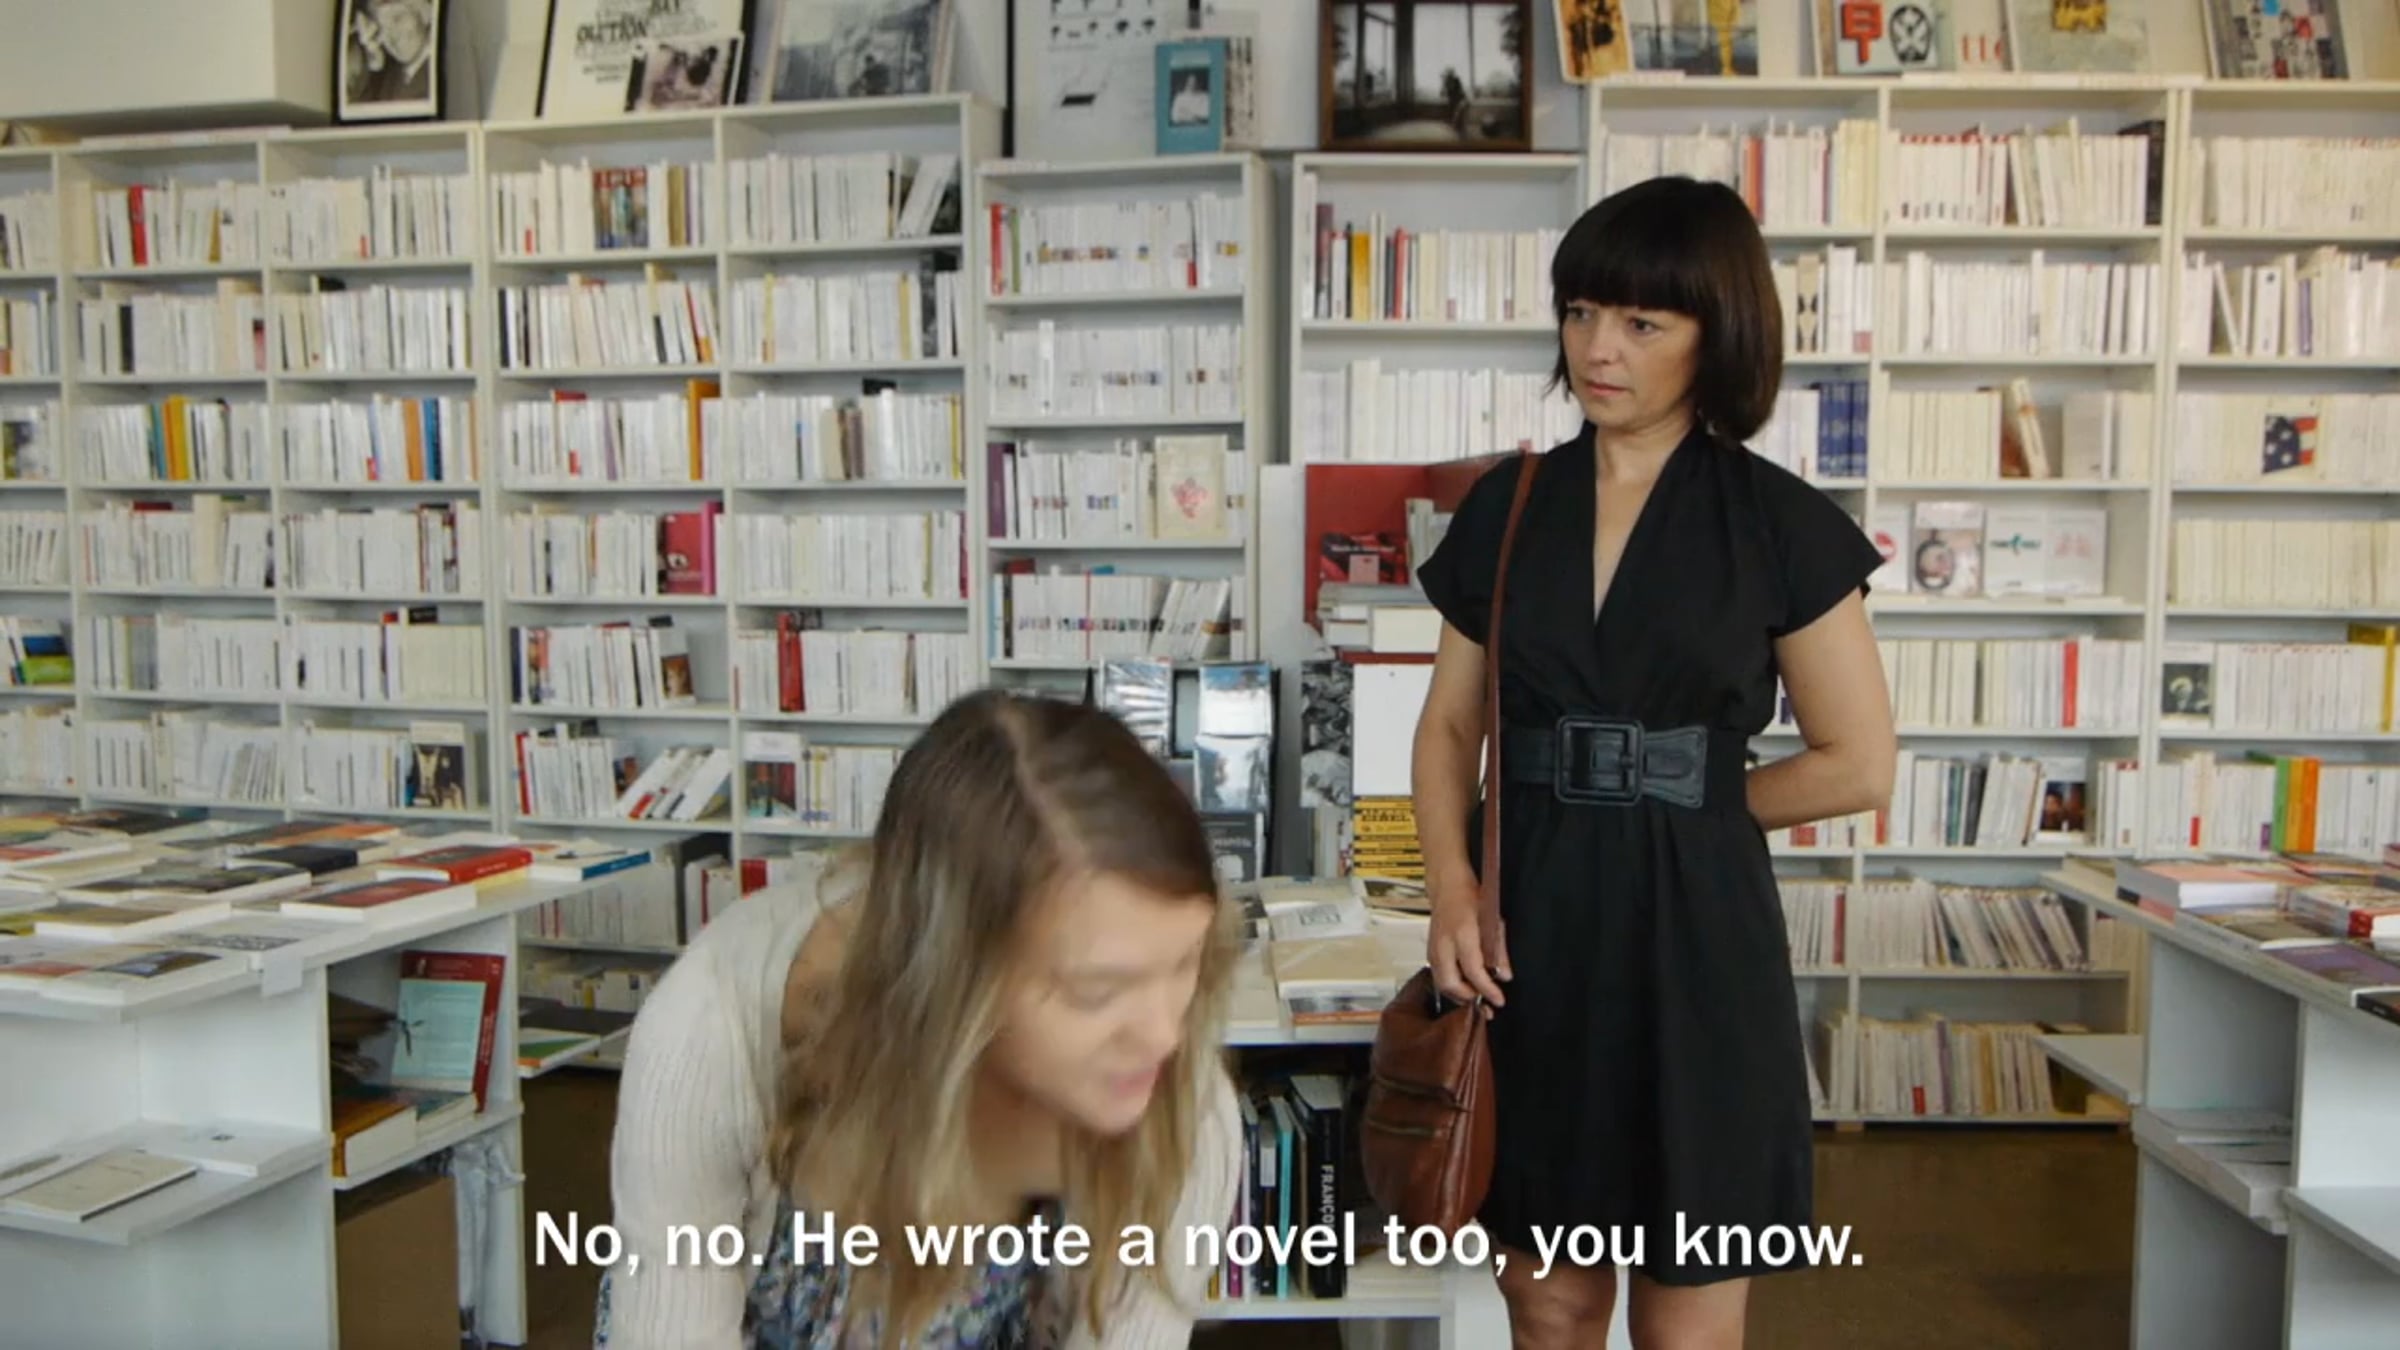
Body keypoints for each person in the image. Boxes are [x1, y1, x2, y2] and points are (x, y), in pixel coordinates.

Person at [1409, 175, 1897, 1349]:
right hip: (1532, 933)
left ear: (1716, 334)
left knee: (1686, 1324)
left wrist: (1691, 806)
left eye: (1641, 322)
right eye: (1581, 313)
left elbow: (1857, 763)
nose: (1598, 349)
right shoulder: (1507, 505)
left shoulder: (1780, 523)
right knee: (1548, 1301)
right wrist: (1452, 891)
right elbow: (1449, 727)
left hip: (1701, 942)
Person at [595, 689, 1245, 1348]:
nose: (1164, 1035)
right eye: (1097, 991)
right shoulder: (709, 1035)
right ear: (955, 990)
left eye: (1184, 961)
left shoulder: (1181, 1105)